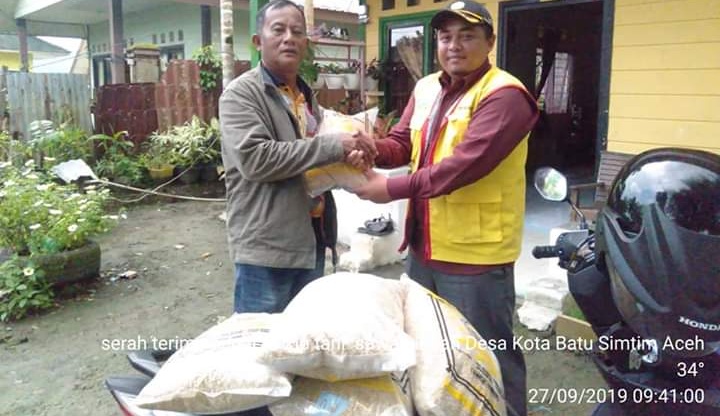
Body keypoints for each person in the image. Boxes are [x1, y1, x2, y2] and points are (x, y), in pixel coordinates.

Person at [349, 2, 539, 415]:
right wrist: (371, 149)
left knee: (488, 355)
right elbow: (402, 142)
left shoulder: (506, 96)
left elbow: (463, 166)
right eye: (445, 36)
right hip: (423, 249)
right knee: (430, 348)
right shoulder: (426, 88)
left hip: (476, 255)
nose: (454, 45)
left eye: (467, 36)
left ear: (490, 42)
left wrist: (391, 188)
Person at [219, 0, 375, 314]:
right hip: (267, 248)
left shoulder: (304, 96)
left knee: (304, 345)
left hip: (311, 239)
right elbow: (256, 159)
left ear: (305, 43)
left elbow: (312, 160)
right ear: (258, 41)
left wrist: (351, 162)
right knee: (261, 347)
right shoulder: (241, 94)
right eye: (278, 29)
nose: (289, 37)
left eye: (297, 31)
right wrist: (335, 146)